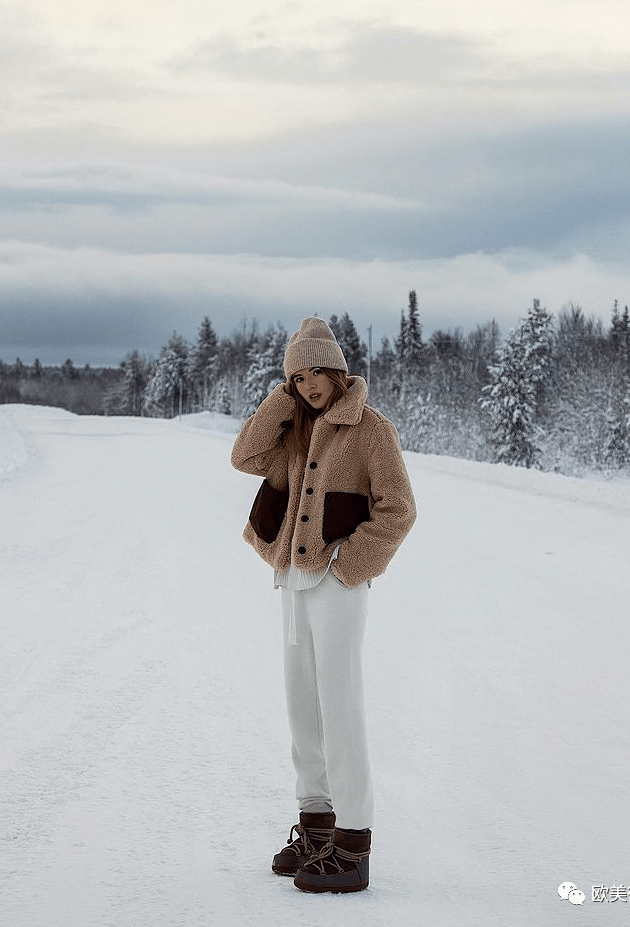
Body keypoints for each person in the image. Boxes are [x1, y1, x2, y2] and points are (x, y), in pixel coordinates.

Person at [231, 317, 416, 894]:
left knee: (340, 706)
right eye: (298, 377)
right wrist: (279, 402)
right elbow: (244, 455)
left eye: (316, 374)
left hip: (336, 583)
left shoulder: (371, 430)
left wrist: (346, 565)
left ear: (337, 372)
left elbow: (398, 510)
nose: (309, 386)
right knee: (302, 708)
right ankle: (317, 827)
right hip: (292, 581)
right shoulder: (291, 427)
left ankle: (353, 843)